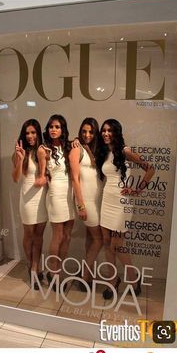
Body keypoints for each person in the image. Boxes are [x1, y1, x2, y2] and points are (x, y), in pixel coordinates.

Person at [98, 119, 155, 299]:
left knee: (118, 246)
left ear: (117, 133)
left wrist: (137, 189)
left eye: (110, 131)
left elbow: (150, 169)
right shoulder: (105, 152)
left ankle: (132, 277)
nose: (106, 134)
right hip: (107, 199)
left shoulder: (125, 151)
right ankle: (113, 281)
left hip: (122, 202)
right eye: (104, 130)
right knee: (106, 243)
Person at [35, 114, 74, 290]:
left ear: (63, 129)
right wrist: (42, 179)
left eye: (57, 127)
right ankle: (53, 272)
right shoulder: (43, 149)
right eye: (51, 126)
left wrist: (78, 142)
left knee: (67, 236)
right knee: (57, 235)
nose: (53, 130)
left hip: (70, 193)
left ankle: (60, 269)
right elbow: (42, 174)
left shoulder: (69, 146)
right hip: (56, 193)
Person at [12, 119, 48, 290]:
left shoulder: (43, 150)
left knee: (39, 235)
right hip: (27, 197)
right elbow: (15, 178)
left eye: (33, 132)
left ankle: (36, 267)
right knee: (29, 234)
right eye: (27, 133)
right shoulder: (20, 152)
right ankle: (31, 265)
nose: (30, 136)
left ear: (38, 133)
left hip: (42, 197)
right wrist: (20, 159)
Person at [69, 118, 103, 290]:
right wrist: (81, 204)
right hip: (86, 201)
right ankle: (84, 275)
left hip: (97, 200)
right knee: (100, 239)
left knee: (91, 238)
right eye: (84, 131)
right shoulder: (77, 149)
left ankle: (88, 276)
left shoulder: (97, 149)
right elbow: (75, 179)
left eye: (90, 131)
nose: (87, 135)